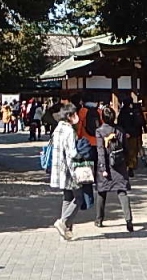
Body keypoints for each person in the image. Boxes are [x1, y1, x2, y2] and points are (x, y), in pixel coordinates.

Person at [94, 105, 134, 232]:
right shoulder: (120, 130)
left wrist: (103, 168)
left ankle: (99, 219)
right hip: (120, 165)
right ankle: (129, 221)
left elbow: (100, 151)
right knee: (122, 192)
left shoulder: (100, 131)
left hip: (106, 164)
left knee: (101, 192)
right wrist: (128, 163)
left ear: (103, 118)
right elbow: (127, 149)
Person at [47, 103, 82, 241]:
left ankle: (65, 232)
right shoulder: (69, 131)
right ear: (69, 116)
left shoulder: (58, 129)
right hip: (69, 169)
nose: (76, 117)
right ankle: (63, 222)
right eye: (74, 114)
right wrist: (81, 158)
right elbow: (72, 153)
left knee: (67, 198)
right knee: (79, 198)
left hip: (59, 168)